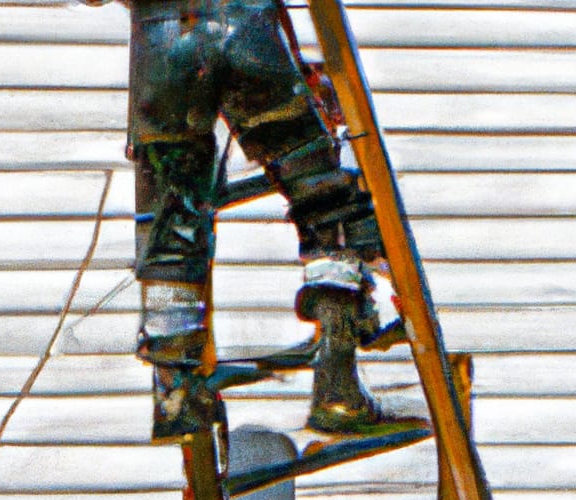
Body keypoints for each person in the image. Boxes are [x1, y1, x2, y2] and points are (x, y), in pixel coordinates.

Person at [103, 0, 405, 440]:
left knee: (172, 223)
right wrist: (298, 61)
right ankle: (337, 384)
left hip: (161, 42)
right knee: (324, 194)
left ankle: (177, 393)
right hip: (244, 28)